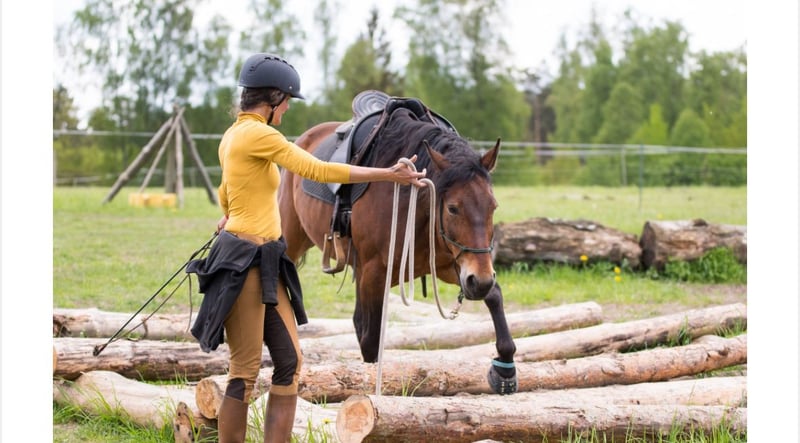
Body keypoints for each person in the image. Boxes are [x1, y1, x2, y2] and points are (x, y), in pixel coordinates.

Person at [186, 53, 426, 443]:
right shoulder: (259, 135)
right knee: (244, 370)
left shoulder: (233, 135)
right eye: (286, 102)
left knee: (289, 361)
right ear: (274, 99)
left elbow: (226, 191)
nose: (286, 110)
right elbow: (318, 169)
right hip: (243, 263)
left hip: (267, 259)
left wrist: (229, 215)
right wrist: (388, 174)